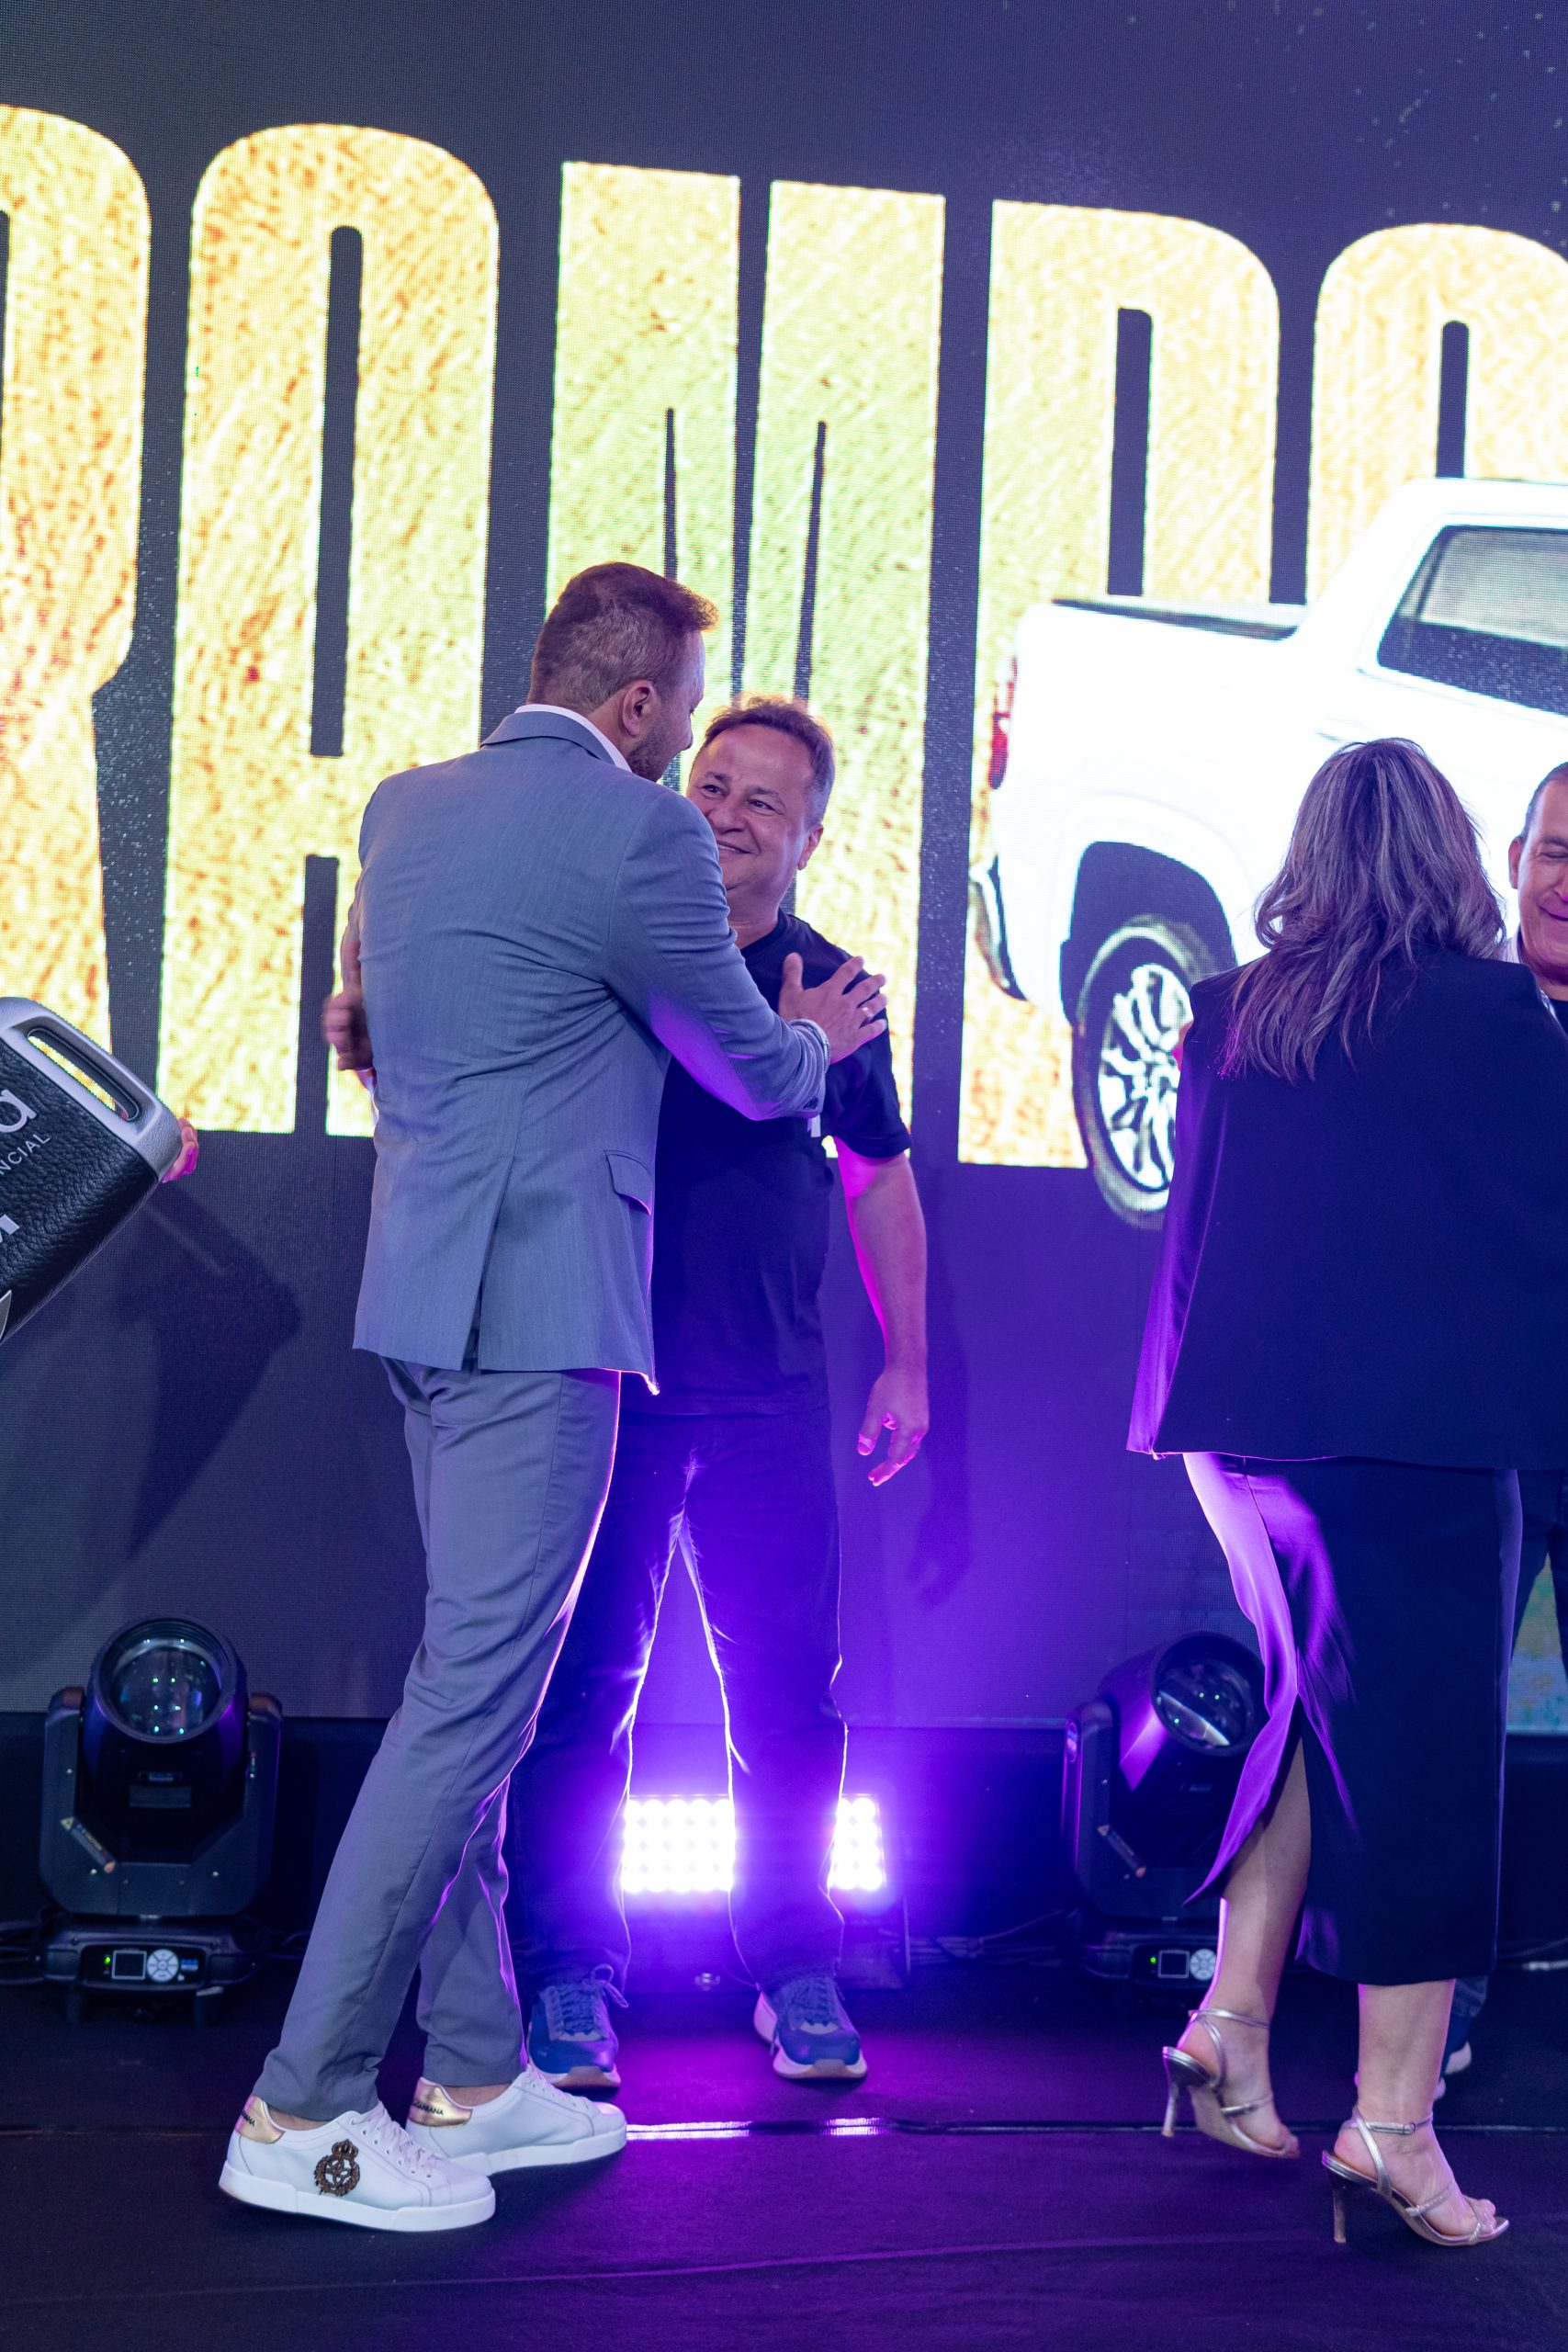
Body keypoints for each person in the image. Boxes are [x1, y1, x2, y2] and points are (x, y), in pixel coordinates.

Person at [220, 563, 886, 2234]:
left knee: (480, 1697)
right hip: (539, 1326)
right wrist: (813, 1035)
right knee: (470, 1714)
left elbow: (377, 1030)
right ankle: (303, 2106)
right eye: (688, 731)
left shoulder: (410, 808)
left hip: (424, 1309)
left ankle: (471, 2068)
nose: (695, 781)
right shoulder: (635, 833)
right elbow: (749, 1066)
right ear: (641, 708)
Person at [1129, 738, 1568, 2249]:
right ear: (1456, 857)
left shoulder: (1232, 1011)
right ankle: (1394, 2125)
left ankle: (1231, 2025)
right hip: (1408, 1454)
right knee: (1429, 1774)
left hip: (1231, 1446)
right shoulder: (1497, 1017)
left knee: (1316, 1720)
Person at [505, 695, 927, 2093]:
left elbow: (880, 1176)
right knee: (584, 1694)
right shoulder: (620, 954)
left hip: (767, 1400)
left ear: (810, 838)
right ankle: (570, 1976)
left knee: (792, 1701)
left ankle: (795, 1969)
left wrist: (908, 1358)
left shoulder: (836, 987)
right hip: (608, 1380)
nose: (728, 813)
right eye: (713, 782)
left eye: (763, 800)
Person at [1443, 759, 1568, 2087]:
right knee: (1447, 1727)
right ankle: (1437, 2007)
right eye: (1557, 851)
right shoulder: (1457, 1017)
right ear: (1516, 862)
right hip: (1475, 1434)